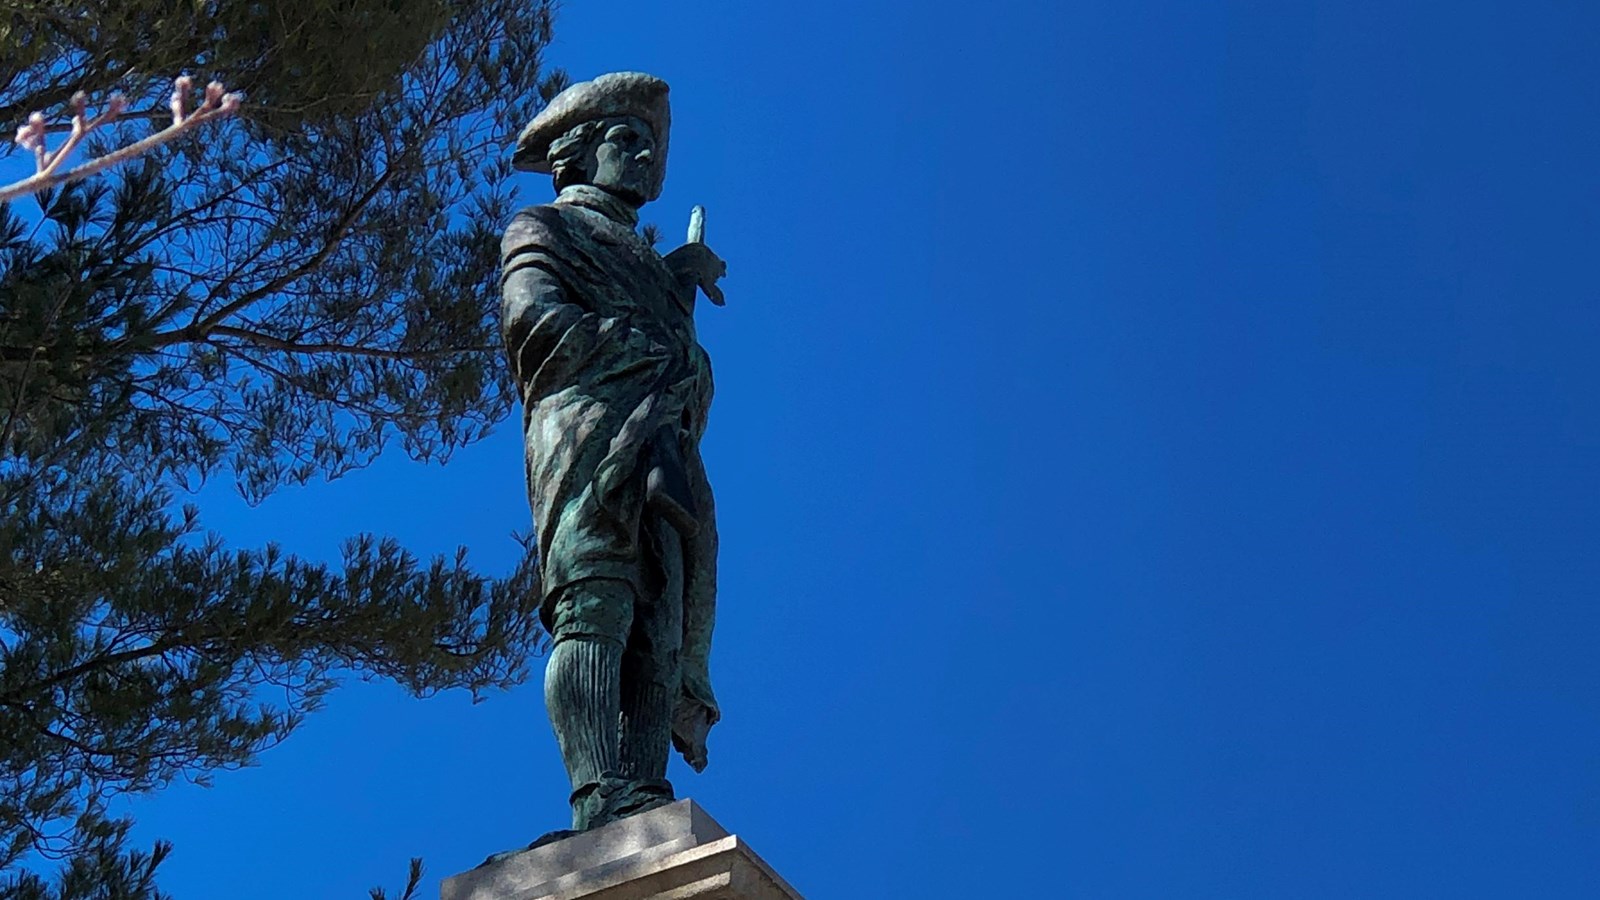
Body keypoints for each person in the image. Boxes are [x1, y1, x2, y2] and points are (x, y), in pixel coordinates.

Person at [499, 72, 727, 832]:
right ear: (575, 154)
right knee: (595, 605)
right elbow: (535, 327)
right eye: (624, 140)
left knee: (659, 623)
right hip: (587, 441)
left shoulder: (656, 271)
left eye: (649, 146)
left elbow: (692, 380)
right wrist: (650, 346)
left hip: (661, 453)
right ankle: (596, 790)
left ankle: (640, 789)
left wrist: (677, 323)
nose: (642, 158)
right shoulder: (543, 228)